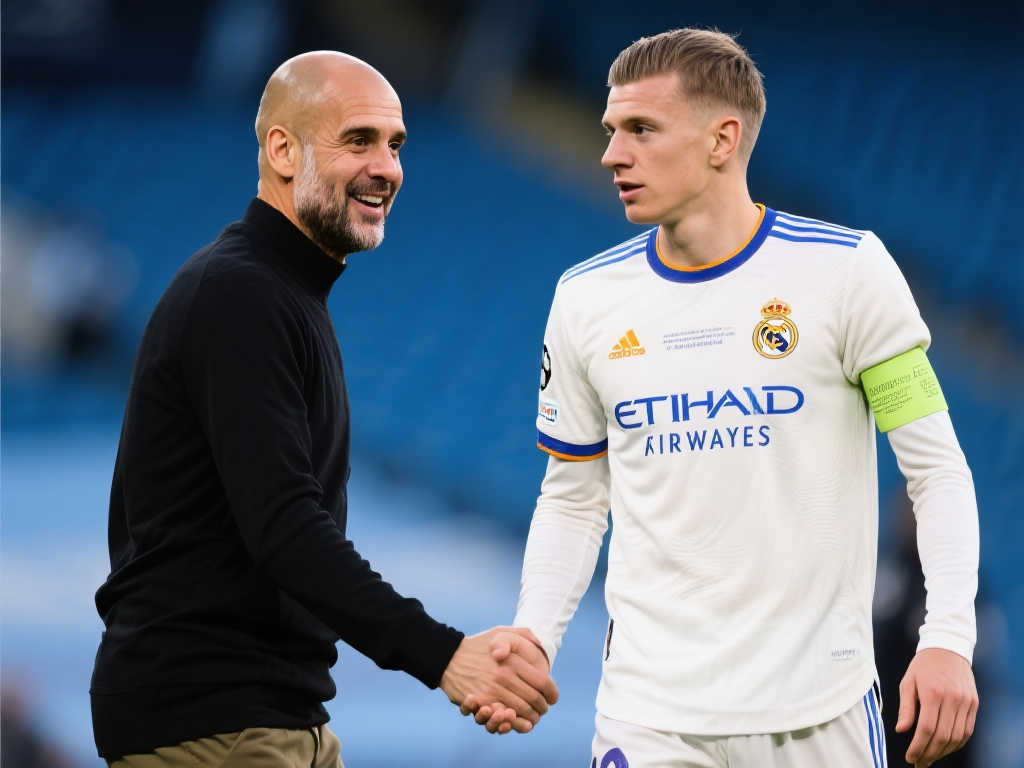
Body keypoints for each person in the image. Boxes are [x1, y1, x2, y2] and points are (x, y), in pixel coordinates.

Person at [465, 28, 980, 768]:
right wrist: (534, 636)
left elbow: (936, 470)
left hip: (817, 714)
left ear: (722, 139)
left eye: (641, 129)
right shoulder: (585, 299)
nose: (612, 154)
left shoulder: (847, 273)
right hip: (649, 715)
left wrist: (948, 639)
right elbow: (574, 496)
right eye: (611, 130)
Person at [90, 51, 557, 767]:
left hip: (269, 715)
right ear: (283, 151)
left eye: (396, 145)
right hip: (212, 722)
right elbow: (284, 528)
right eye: (359, 140)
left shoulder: (281, 292)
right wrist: (443, 656)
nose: (387, 168)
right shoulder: (240, 294)